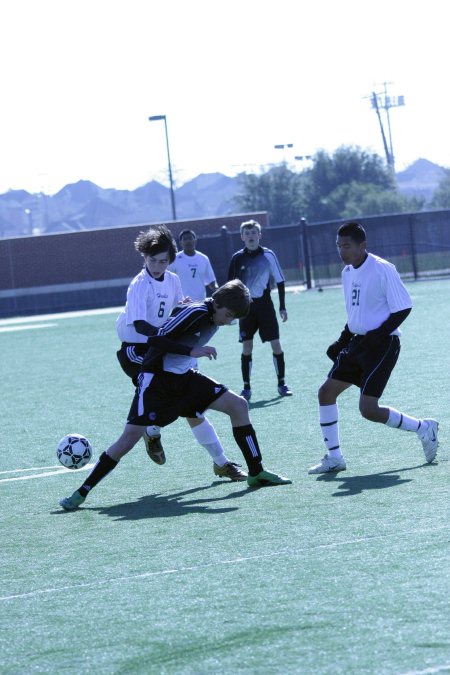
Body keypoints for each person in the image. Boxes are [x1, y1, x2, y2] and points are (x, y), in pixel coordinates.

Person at [59, 280, 292, 510]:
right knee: (128, 439)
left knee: (238, 406)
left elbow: (177, 326)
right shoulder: (197, 312)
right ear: (218, 303)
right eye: (228, 315)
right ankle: (82, 492)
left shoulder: (210, 315)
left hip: (185, 379)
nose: (229, 321)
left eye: (233, 318)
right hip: (156, 381)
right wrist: (192, 350)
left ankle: (256, 471)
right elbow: (158, 338)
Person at [116, 225, 245, 481]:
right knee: (172, 392)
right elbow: (141, 325)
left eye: (163, 261)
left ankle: (221, 462)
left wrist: (183, 308)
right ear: (144, 257)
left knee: (192, 406)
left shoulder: (173, 280)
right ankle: (150, 429)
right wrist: (169, 341)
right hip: (137, 350)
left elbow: (175, 311)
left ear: (170, 260)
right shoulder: (139, 285)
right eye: (153, 260)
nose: (157, 265)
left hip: (164, 347)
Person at [308, 221, 439, 474]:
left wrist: (377, 336)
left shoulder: (382, 268)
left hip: (384, 345)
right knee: (326, 393)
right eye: (338, 246)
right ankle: (334, 458)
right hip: (358, 343)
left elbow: (403, 307)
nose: (341, 251)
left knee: (368, 410)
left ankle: (424, 428)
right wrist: (342, 340)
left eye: (346, 246)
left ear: (362, 246)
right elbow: (356, 314)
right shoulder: (347, 272)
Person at [228, 219, 292, 401]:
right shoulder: (237, 257)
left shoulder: (269, 255)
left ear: (259, 235)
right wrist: (231, 311)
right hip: (245, 308)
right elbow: (230, 285)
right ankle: (246, 387)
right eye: (246, 233)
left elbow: (280, 281)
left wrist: (282, 306)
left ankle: (282, 383)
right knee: (247, 346)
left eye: (253, 233)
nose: (250, 236)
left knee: (276, 343)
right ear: (242, 237)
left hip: (265, 306)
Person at [169, 229, 218, 300]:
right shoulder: (174, 259)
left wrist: (221, 293)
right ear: (180, 243)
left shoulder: (203, 258)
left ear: (195, 241)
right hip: (181, 304)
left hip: (200, 304)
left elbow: (211, 282)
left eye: (190, 238)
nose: (188, 241)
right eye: (185, 239)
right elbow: (167, 280)